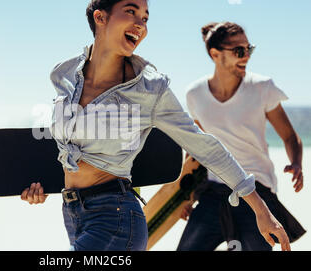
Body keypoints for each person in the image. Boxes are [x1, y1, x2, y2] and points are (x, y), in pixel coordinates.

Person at [21, 1, 291, 251]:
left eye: (146, 18)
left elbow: (205, 146)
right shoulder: (63, 74)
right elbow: (66, 146)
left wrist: (260, 208)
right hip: (72, 213)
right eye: (131, 11)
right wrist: (44, 185)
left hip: (115, 218)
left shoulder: (150, 89)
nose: (141, 24)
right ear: (100, 17)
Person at [177, 22, 305, 251]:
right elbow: (196, 148)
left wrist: (296, 163)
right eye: (239, 51)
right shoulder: (195, 94)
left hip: (258, 192)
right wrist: (187, 195)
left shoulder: (262, 87)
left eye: (249, 49)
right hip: (214, 192)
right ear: (215, 54)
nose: (246, 56)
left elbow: (289, 136)